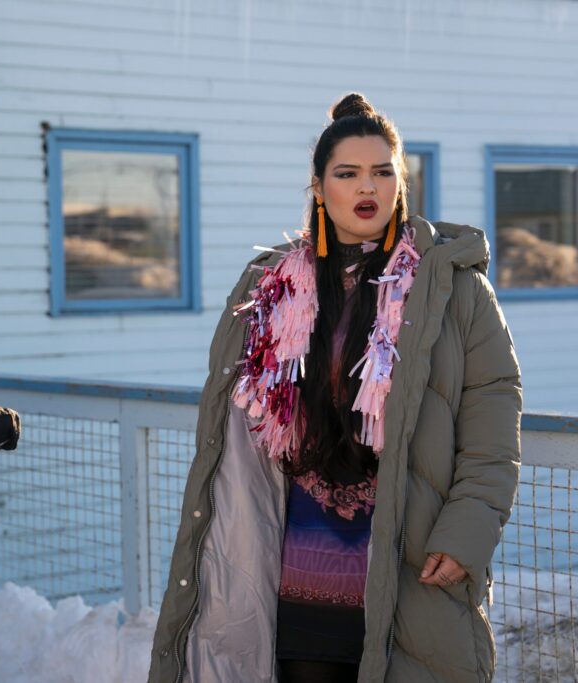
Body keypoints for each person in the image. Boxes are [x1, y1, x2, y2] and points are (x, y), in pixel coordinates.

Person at [149, 93, 522, 683]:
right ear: (319, 188)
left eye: (382, 171)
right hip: (297, 565)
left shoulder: (453, 290)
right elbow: (237, 431)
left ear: (400, 182)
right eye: (347, 173)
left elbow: (493, 425)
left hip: (411, 557)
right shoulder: (271, 287)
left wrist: (467, 533)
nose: (367, 187)